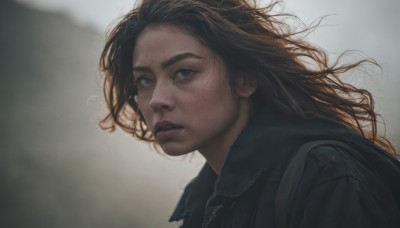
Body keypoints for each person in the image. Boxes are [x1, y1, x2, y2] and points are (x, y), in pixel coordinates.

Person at [99, 0, 400, 227]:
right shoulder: (201, 202)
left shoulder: (325, 174)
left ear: (245, 79)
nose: (157, 100)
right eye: (144, 81)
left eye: (183, 72)